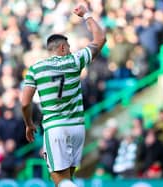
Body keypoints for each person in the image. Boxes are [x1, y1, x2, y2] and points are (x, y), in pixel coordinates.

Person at [21, 3, 106, 187]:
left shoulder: (36, 69)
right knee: (68, 179)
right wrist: (87, 15)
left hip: (55, 127)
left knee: (60, 181)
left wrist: (29, 124)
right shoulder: (75, 61)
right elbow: (100, 38)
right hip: (77, 127)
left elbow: (25, 103)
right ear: (61, 48)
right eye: (68, 46)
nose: (70, 49)